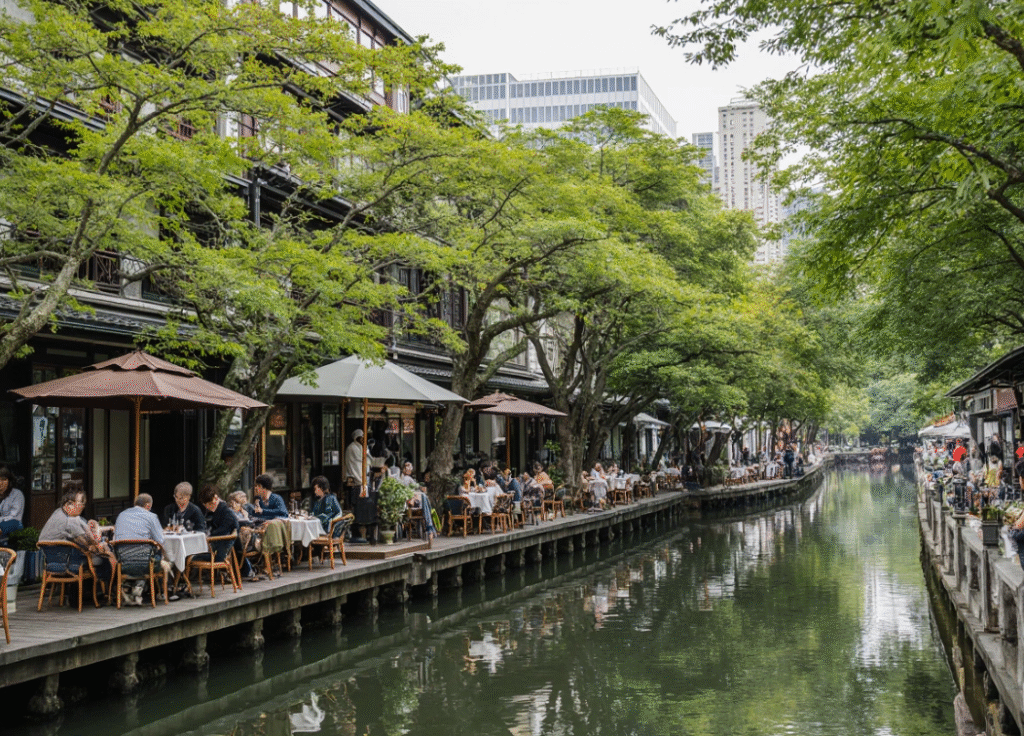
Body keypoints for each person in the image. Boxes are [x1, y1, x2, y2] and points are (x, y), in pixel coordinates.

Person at [39, 489, 115, 595]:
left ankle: (95, 593)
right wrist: (98, 543)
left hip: (51, 564)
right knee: (104, 557)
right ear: (67, 504)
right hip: (70, 565)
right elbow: (87, 542)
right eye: (79, 503)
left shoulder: (58, 513)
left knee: (98, 553)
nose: (81, 506)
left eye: (83, 503)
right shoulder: (70, 521)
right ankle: (105, 593)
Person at [113, 493, 173, 604]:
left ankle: (134, 587)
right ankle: (164, 592)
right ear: (148, 506)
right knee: (164, 557)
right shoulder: (151, 516)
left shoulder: (121, 515)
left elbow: (115, 539)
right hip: (145, 565)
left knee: (146, 554)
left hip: (123, 564)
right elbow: (160, 540)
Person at [0, 467, 25, 536]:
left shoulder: (17, 494)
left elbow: (13, 516)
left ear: (9, 481)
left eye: (3, 480)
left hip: (13, 524)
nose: (0, 483)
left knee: (12, 523)